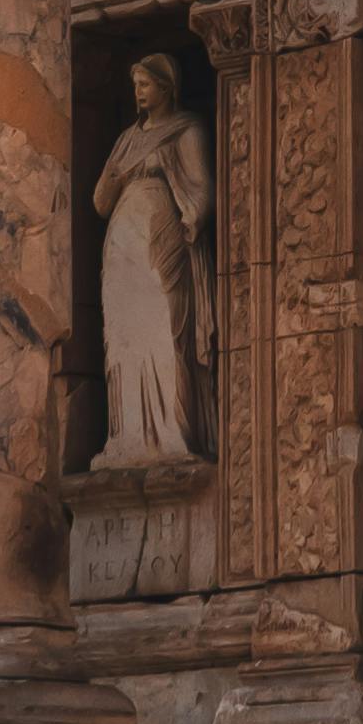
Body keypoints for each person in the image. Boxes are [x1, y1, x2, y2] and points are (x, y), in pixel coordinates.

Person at [92, 57, 215, 470]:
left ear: (167, 86)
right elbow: (99, 202)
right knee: (123, 336)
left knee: (164, 327)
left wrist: (192, 216)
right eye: (136, 85)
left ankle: (172, 432)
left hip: (161, 240)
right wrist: (114, 175)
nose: (139, 92)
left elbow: (202, 191)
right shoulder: (127, 139)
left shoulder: (188, 129)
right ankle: (125, 436)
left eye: (146, 84)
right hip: (121, 243)